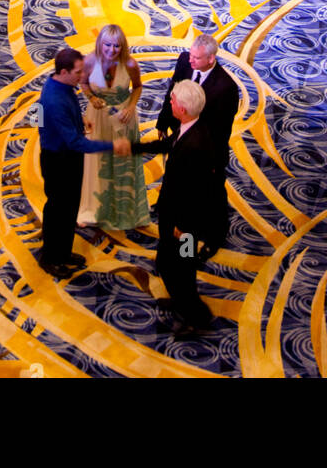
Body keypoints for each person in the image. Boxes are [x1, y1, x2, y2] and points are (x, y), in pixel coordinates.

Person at [37, 46, 129, 278]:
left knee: (68, 209)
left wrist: (79, 120)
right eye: (78, 72)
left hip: (66, 156)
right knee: (58, 210)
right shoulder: (54, 100)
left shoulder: (59, 85)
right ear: (64, 71)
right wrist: (112, 146)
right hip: (59, 161)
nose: (82, 77)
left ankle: (63, 252)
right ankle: (50, 258)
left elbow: (45, 118)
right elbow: (76, 143)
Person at [136, 81, 221, 330]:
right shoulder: (191, 128)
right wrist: (136, 148)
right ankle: (184, 303)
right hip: (175, 217)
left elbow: (199, 192)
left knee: (182, 268)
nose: (169, 102)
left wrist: (183, 227)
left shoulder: (195, 146)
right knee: (168, 264)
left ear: (182, 109)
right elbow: (170, 145)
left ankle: (196, 317)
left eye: (172, 100)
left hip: (186, 227)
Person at [157, 34, 237, 248]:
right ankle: (179, 255)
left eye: (197, 58)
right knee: (178, 193)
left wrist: (210, 162)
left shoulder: (226, 88)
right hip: (182, 138)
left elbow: (221, 131)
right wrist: (162, 122)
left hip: (205, 153)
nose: (191, 61)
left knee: (203, 203)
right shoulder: (185, 60)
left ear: (211, 58)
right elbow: (172, 93)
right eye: (191, 55)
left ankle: (209, 242)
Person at [78, 24, 150, 230]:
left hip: (122, 118)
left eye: (117, 46)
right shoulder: (90, 61)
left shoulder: (129, 64)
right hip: (97, 116)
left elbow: (137, 87)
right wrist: (91, 97)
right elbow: (83, 83)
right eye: (107, 45)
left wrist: (131, 106)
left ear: (123, 46)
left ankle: (126, 213)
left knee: (123, 163)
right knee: (95, 162)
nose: (111, 50)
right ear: (100, 43)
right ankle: (91, 211)